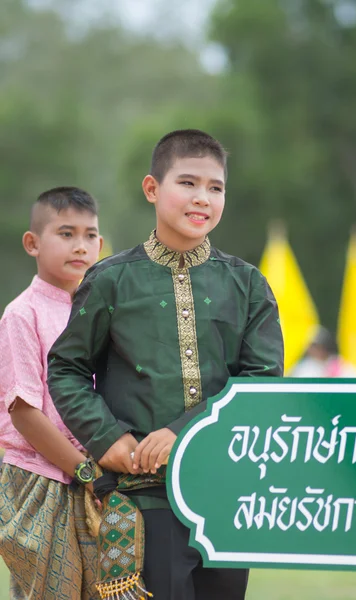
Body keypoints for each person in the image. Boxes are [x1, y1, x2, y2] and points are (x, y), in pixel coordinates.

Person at [47, 129, 284, 600]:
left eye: (216, 188)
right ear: (152, 189)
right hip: (142, 497)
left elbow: (261, 382)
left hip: (226, 498)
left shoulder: (248, 285)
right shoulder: (112, 280)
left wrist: (183, 432)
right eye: (188, 183)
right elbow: (66, 369)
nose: (203, 199)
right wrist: (106, 437)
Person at [0, 187, 103, 600]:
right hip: (40, 478)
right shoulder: (22, 314)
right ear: (33, 243)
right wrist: (84, 471)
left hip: (96, 476)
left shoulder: (95, 309)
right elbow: (24, 412)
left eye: (91, 235)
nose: (81, 246)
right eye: (66, 233)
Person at [291, 326, 356, 377]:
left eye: (316, 346)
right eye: (312, 347)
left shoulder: (339, 363)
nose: (314, 350)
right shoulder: (306, 365)